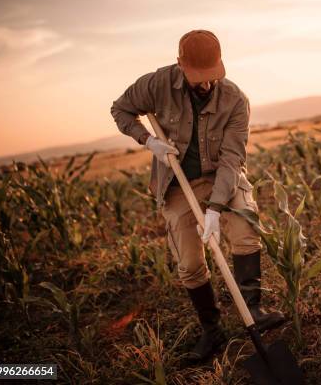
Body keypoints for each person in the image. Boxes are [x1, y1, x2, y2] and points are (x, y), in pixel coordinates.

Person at [110, 29, 284, 361]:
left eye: (211, 76)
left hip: (222, 177)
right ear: (180, 64)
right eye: (198, 77)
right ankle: (212, 331)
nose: (206, 84)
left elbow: (233, 160)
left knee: (246, 229)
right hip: (177, 184)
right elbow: (121, 110)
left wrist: (216, 209)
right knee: (189, 264)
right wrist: (149, 141)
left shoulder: (235, 100)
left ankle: (253, 311)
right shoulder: (155, 84)